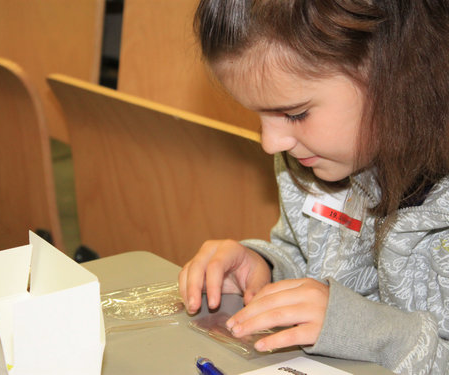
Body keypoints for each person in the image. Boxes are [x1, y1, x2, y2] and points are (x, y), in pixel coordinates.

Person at [178, 0, 449, 374]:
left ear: (400, 70)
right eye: (258, 114)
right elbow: (311, 262)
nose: (271, 143)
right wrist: (266, 270)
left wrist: (371, 333)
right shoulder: (311, 156)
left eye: (294, 113)